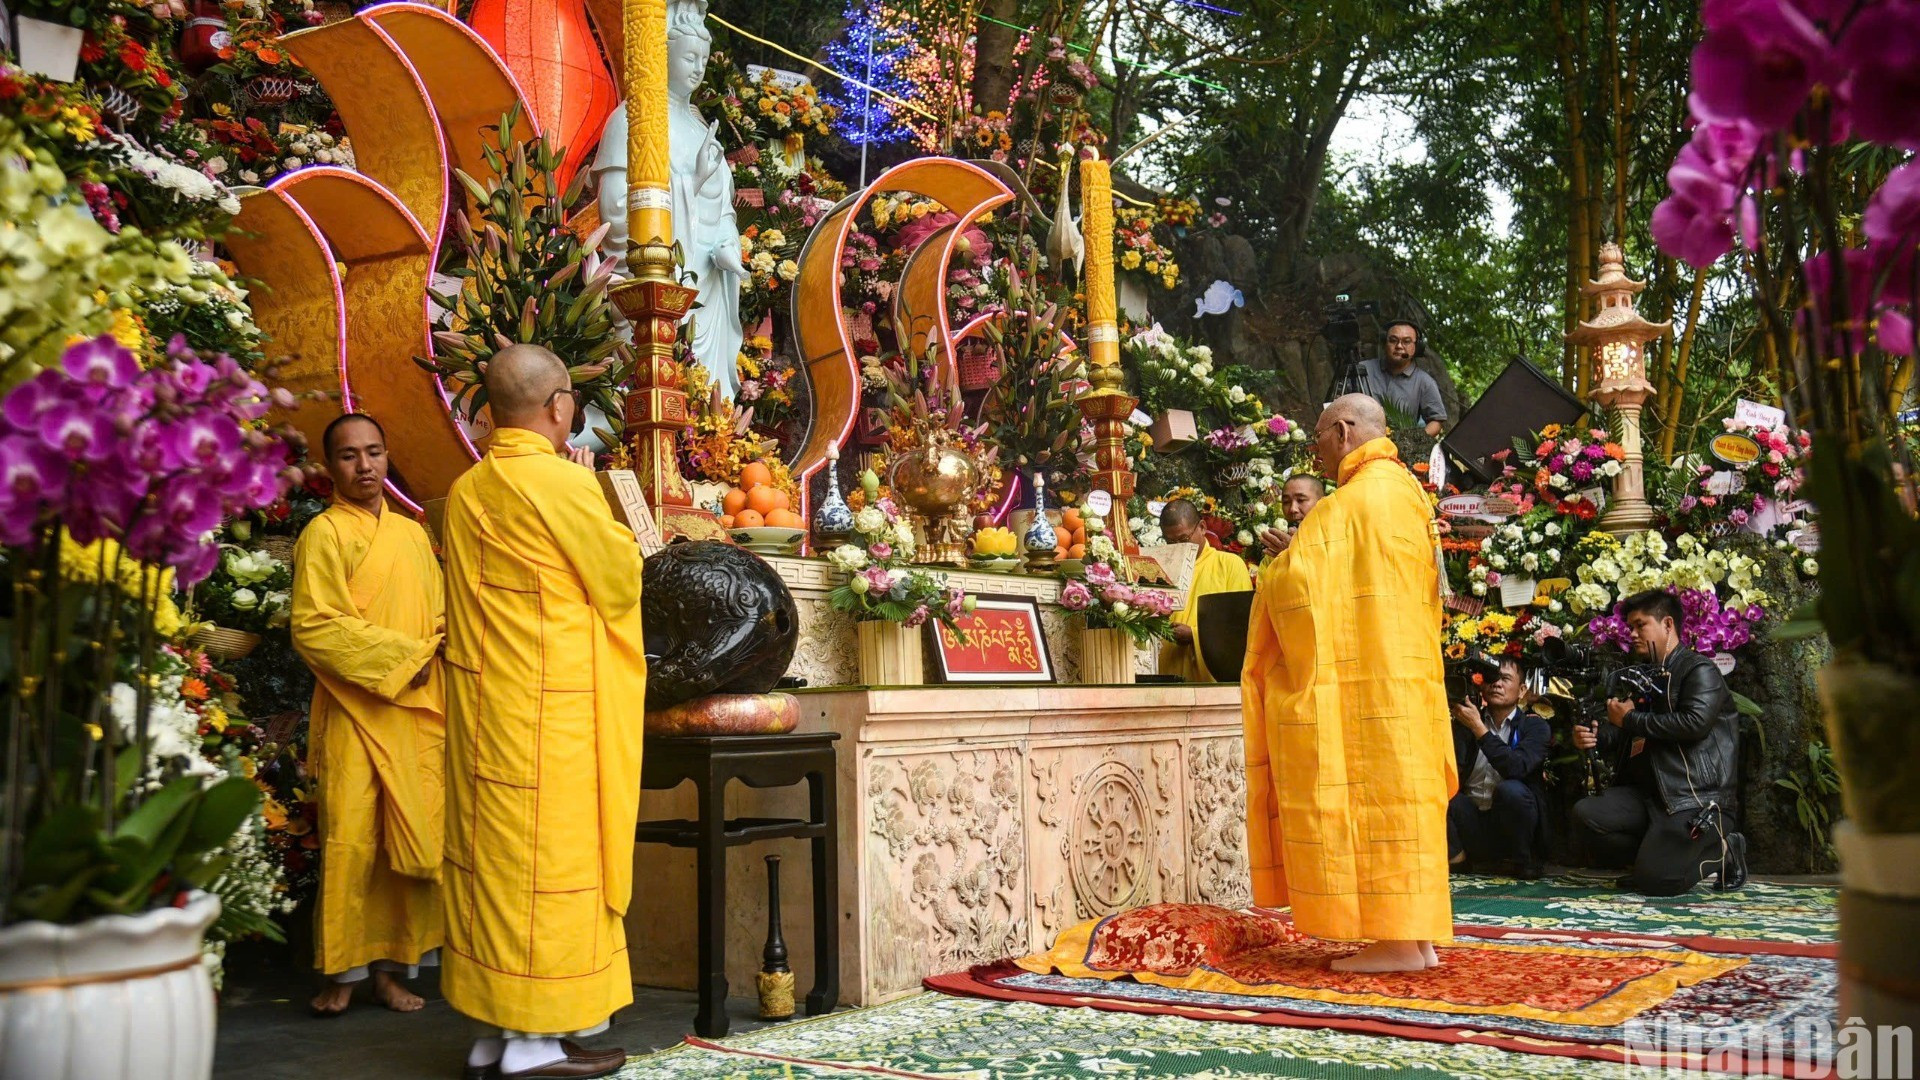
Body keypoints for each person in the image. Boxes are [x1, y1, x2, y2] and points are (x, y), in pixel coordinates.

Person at [440, 345, 648, 1080]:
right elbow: (621, 582)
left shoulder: (466, 490)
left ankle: (494, 1032)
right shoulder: (561, 484)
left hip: (481, 711)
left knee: (491, 867)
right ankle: (531, 1045)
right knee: (547, 873)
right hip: (551, 715)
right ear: (560, 405)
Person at [1242, 394, 1454, 973]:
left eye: (1318, 437)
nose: (1316, 449)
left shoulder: (1351, 505)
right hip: (1405, 681)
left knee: (1372, 802)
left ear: (1342, 430)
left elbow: (1301, 593)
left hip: (1368, 689)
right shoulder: (1407, 493)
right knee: (1404, 804)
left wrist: (1284, 561)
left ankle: (1393, 940)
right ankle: (1415, 936)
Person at [293, 413, 447, 1018]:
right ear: (330, 467)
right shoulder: (324, 535)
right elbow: (313, 625)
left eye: (375, 452)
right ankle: (343, 972)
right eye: (350, 455)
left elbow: (438, 614)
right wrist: (405, 657)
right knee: (352, 840)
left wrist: (429, 654)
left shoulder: (412, 535)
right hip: (357, 708)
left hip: (414, 709)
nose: (365, 466)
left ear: (387, 456)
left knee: (405, 840)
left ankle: (391, 971)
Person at [1571, 589, 1748, 896]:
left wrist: (1630, 719)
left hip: (1694, 799)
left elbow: (1694, 724)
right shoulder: (1644, 675)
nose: (1633, 633)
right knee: (1588, 814)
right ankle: (1651, 862)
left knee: (1658, 883)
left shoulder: (1699, 670)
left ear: (1668, 624)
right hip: (1649, 798)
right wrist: (1595, 736)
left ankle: (1724, 848)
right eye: (1630, 627)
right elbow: (1628, 736)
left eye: (1641, 625)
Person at [1448, 655, 1552, 878]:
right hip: (1475, 823)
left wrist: (1480, 730)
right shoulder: (1465, 724)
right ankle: (1458, 859)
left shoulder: (1535, 726)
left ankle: (1522, 861)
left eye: (1505, 679)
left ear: (1522, 690)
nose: (1497, 683)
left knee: (1511, 790)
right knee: (1445, 793)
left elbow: (1517, 768)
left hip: (1515, 828)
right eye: (1492, 678)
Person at [1156, 499, 1253, 682]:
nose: (1179, 547)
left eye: (1184, 539)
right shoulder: (1162, 568)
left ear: (1202, 527)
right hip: (1168, 672)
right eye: (1171, 541)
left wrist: (1194, 634)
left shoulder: (1229, 565)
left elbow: (1239, 628)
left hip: (1212, 678)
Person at [1357, 320, 1446, 437]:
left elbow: (1436, 421)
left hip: (1399, 451)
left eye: (1406, 342)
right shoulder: (1362, 370)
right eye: (1393, 340)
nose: (1399, 346)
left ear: (1417, 347)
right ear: (1384, 343)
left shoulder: (1425, 382)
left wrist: (1412, 441)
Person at [1257, 474, 1327, 558]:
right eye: (1286, 502)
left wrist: (1295, 552)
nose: (1293, 509)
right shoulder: (1278, 548)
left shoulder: (1337, 537)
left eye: (1301, 500)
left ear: (1323, 501)